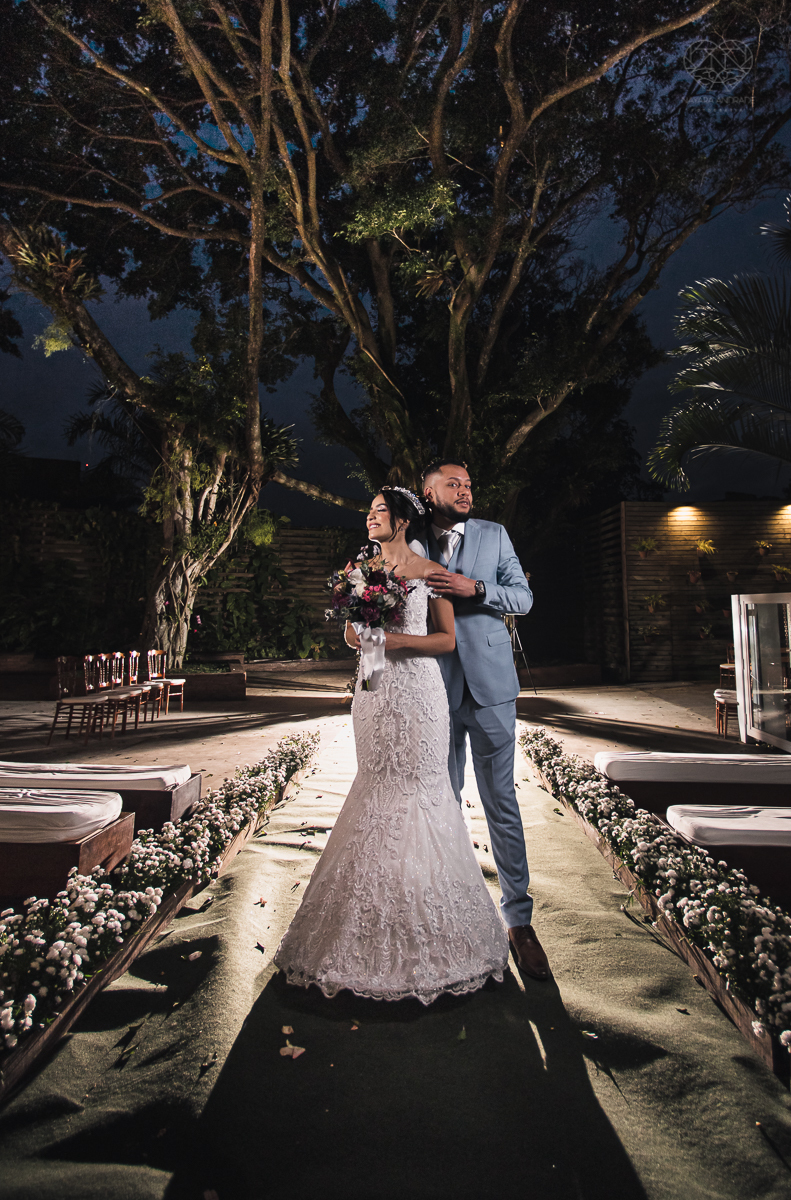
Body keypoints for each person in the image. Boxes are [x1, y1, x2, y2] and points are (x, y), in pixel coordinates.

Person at [274, 486, 509, 1004]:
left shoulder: (431, 572)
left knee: (421, 789)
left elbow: (447, 640)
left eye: (379, 511)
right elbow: (354, 636)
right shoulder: (362, 569)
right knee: (376, 786)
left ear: (402, 520)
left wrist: (395, 640)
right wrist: (359, 638)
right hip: (375, 692)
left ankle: (438, 933)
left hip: (421, 693)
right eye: (369, 511)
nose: (370, 518)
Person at [420, 460, 550, 982]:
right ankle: (451, 914)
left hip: (494, 687)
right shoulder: (411, 542)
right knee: (442, 803)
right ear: (429, 493)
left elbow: (524, 597)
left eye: (469, 484)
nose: (465, 491)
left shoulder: (495, 535)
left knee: (502, 803)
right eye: (453, 484)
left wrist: (476, 588)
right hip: (434, 689)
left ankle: (519, 921)